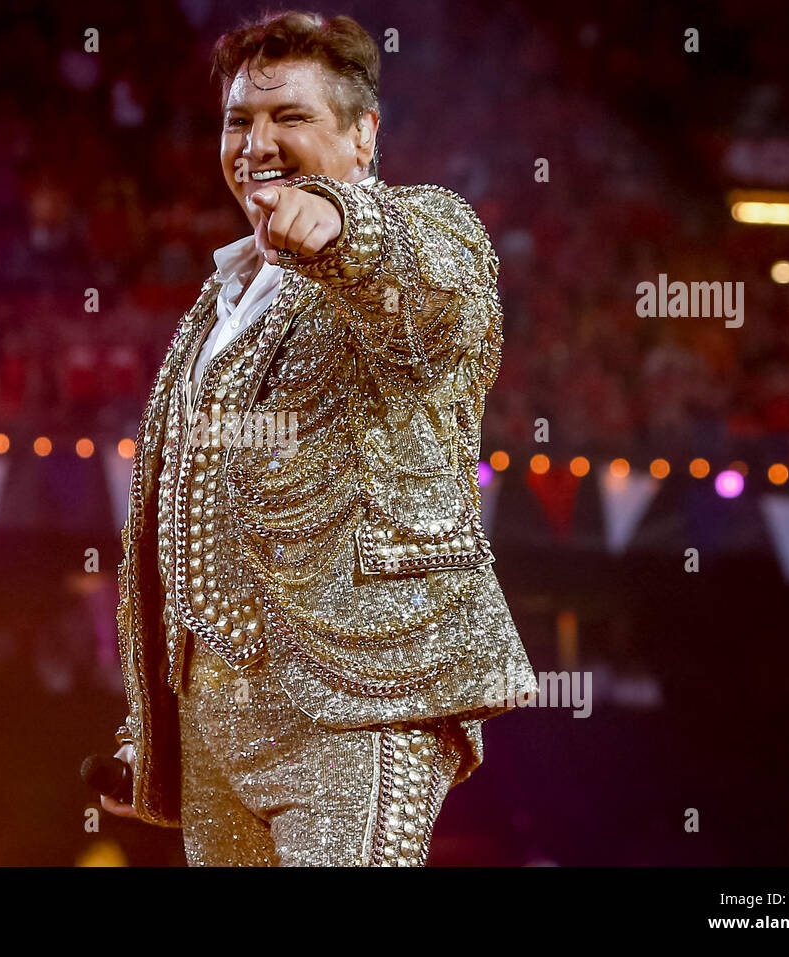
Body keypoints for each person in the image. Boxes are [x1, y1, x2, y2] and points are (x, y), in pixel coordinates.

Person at [101, 10, 538, 866]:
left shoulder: (422, 230)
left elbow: (437, 288)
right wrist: (142, 730)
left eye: (289, 117)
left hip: (358, 707)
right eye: (239, 120)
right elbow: (182, 526)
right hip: (211, 732)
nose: (256, 142)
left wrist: (343, 228)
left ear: (363, 135)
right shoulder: (216, 305)